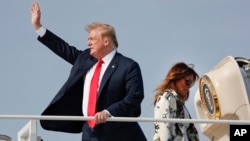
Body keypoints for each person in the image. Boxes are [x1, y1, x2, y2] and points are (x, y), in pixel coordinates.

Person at [30, 2, 147, 141]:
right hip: (89, 133)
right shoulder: (85, 58)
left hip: (119, 134)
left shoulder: (128, 66)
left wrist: (108, 112)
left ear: (106, 41)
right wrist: (38, 27)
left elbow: (134, 98)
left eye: (92, 39)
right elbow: (63, 48)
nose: (88, 43)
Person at [153, 62, 200, 141]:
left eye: (191, 84)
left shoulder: (179, 104)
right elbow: (163, 130)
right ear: (176, 78)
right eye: (188, 82)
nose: (188, 87)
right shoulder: (165, 98)